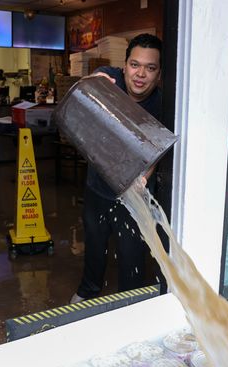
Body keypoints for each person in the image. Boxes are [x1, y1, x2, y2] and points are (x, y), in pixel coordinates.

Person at [71, 33, 163, 303]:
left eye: (150, 68)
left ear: (159, 74)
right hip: (98, 188)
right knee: (95, 248)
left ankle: (129, 306)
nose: (140, 74)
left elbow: (157, 151)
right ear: (125, 66)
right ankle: (86, 294)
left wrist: (144, 178)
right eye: (135, 65)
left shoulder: (162, 104)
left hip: (135, 193)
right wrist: (92, 79)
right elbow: (94, 79)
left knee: (131, 256)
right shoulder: (111, 81)